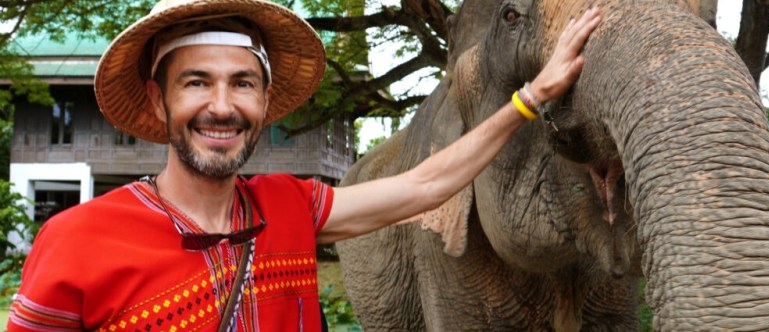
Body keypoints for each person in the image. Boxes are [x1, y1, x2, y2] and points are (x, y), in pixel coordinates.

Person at [7, 0, 601, 330]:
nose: (221, 106)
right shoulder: (74, 241)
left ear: (265, 103)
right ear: (160, 99)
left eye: (243, 83)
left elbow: (425, 184)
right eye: (196, 82)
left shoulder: (292, 205)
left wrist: (530, 100)